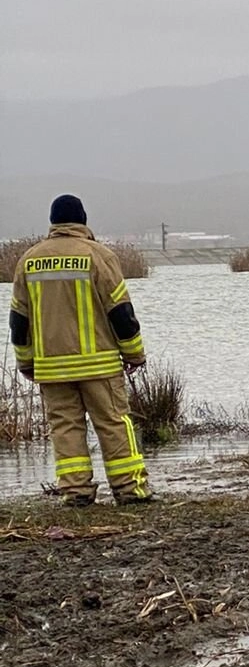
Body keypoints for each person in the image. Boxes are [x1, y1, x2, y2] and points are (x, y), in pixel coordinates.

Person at [9, 195, 152, 507]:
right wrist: (134, 354)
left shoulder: (28, 261)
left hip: (51, 369)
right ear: (83, 221)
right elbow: (121, 314)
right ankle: (130, 490)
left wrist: (25, 362)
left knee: (65, 428)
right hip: (99, 366)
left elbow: (19, 323)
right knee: (114, 424)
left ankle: (76, 492)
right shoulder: (97, 255)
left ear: (53, 223)